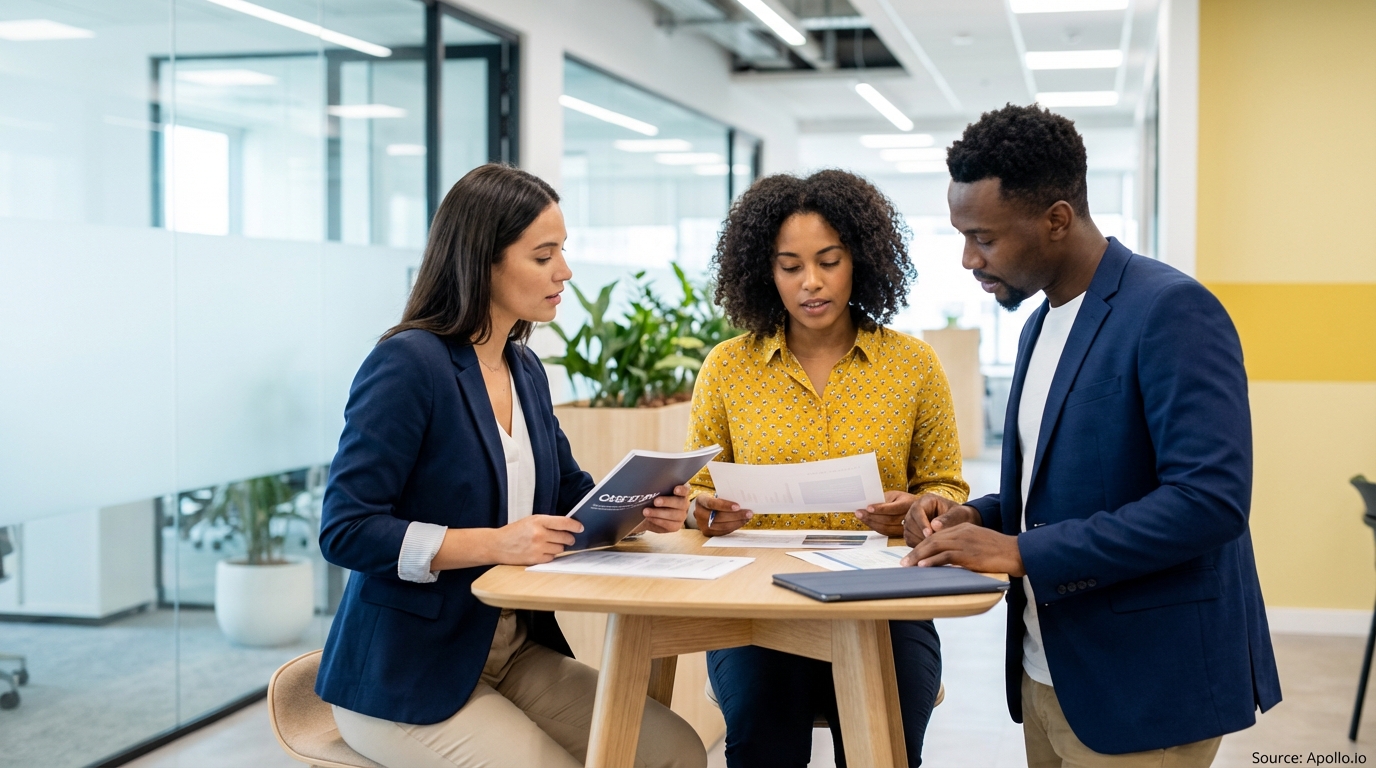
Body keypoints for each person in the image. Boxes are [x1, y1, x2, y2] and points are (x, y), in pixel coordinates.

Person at [902, 104, 1281, 766]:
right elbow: (1062, 489)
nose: (967, 258)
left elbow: (1210, 501)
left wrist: (1024, 554)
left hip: (1145, 687)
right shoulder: (1038, 324)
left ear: (1056, 219)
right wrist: (976, 517)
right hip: (1050, 674)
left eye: (983, 237)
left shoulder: (1170, 310)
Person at [314, 164, 707, 768]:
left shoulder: (524, 370)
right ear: (482, 262)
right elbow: (346, 529)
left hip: (509, 652)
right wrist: (496, 543)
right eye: (543, 255)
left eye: (563, 252)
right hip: (406, 673)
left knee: (674, 751)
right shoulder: (407, 365)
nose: (565, 272)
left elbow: (573, 495)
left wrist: (644, 508)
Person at [685, 169, 968, 767]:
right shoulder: (727, 368)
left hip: (881, 599)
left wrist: (919, 509)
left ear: (859, 261)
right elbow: (699, 492)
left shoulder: (913, 365)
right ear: (766, 270)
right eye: (790, 266)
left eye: (829, 261)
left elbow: (945, 485)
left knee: (884, 746)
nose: (811, 282)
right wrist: (703, 511)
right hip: (758, 602)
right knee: (762, 744)